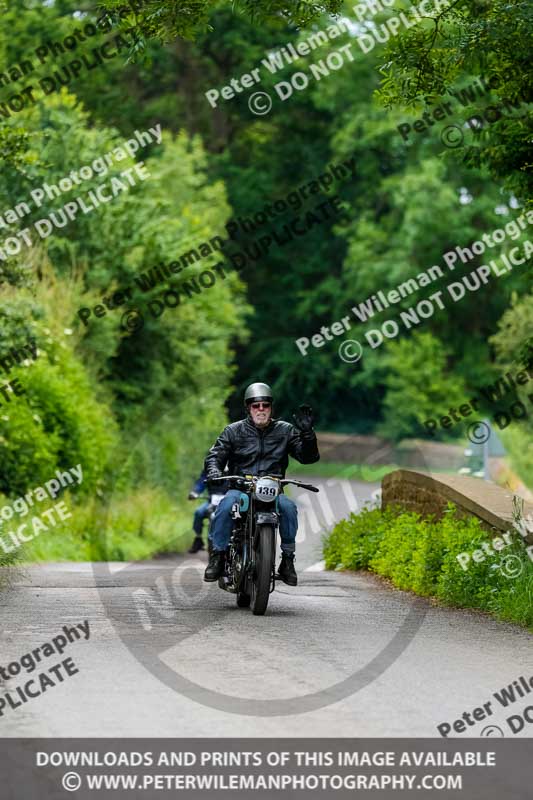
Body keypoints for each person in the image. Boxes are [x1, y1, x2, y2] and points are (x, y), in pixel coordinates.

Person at [203, 382, 319, 586]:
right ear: (248, 408)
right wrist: (214, 470)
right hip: (240, 488)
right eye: (256, 406)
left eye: (265, 405)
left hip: (272, 491)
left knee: (289, 507)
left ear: (271, 408)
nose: (261, 409)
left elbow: (308, 458)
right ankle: (218, 557)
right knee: (225, 507)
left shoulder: (285, 431)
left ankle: (288, 561)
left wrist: (308, 436)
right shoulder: (233, 431)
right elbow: (215, 455)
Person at [187, 470, 210, 553]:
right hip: (212, 501)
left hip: (228, 499)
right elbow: (202, 481)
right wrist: (195, 492)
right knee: (198, 512)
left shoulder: (234, 465)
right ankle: (198, 538)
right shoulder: (211, 466)